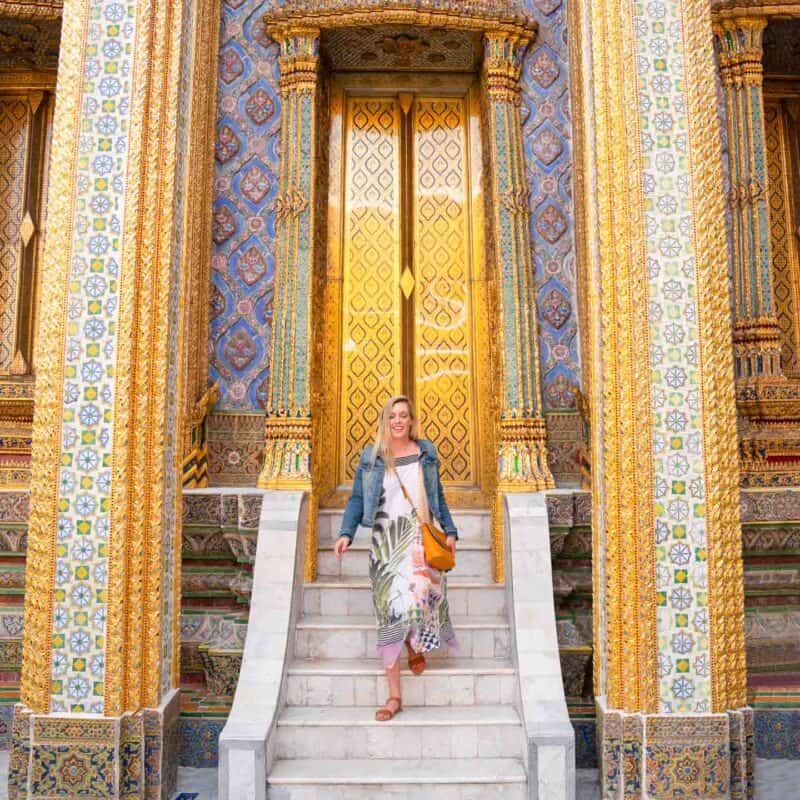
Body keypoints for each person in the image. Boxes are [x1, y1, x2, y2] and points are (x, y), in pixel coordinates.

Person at [334, 394, 458, 721]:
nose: (398, 421)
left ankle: (414, 644)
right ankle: (394, 697)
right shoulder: (373, 457)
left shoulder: (424, 453)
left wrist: (450, 529)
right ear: (385, 421)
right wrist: (346, 533)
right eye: (393, 416)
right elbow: (357, 499)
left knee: (416, 600)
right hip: (384, 546)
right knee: (389, 618)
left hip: (418, 542)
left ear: (411, 420)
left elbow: (437, 496)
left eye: (404, 415)